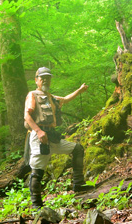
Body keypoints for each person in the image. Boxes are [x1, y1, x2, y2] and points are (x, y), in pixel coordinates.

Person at [24, 67, 90, 208]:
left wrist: (80, 90)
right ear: (37, 80)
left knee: (77, 149)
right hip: (39, 136)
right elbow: (27, 116)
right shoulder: (32, 95)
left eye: (48, 78)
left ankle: (78, 184)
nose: (46, 80)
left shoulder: (51, 97)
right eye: (42, 78)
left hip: (52, 136)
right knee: (37, 171)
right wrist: (39, 131)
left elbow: (65, 99)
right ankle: (36, 206)